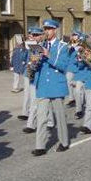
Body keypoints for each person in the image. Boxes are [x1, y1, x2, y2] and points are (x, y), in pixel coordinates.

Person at [32, 19, 70, 156]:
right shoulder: (40, 44)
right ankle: (40, 146)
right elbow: (36, 66)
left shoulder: (62, 46)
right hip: (43, 85)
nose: (46, 31)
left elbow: (63, 66)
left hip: (56, 85)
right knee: (41, 117)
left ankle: (64, 142)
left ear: (55, 30)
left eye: (49, 29)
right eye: (45, 29)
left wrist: (49, 55)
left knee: (59, 117)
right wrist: (33, 62)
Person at [21, 27, 54, 133]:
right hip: (34, 76)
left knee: (45, 100)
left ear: (41, 36)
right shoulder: (32, 47)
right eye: (32, 35)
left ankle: (49, 121)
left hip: (45, 77)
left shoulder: (46, 46)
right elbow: (28, 60)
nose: (33, 37)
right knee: (35, 100)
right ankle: (31, 124)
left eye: (36, 35)